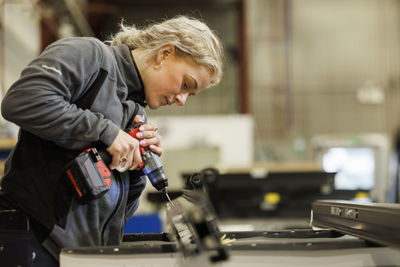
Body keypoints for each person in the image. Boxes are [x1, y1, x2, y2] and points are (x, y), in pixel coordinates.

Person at [0, 15, 223, 266]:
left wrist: (137, 169)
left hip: (80, 255)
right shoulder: (89, 56)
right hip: (30, 241)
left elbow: (115, 213)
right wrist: (107, 132)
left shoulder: (134, 113)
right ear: (165, 54)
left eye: (190, 94)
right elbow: (21, 101)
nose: (182, 100)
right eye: (185, 84)